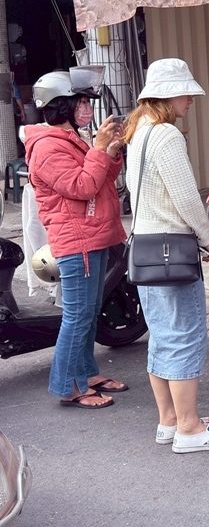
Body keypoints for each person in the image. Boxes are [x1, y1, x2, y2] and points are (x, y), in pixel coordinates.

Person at [122, 58, 209, 453]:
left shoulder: (138, 131)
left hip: (146, 248)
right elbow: (187, 198)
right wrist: (206, 237)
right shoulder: (167, 136)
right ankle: (190, 429)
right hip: (173, 248)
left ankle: (169, 420)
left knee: (162, 336)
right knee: (184, 337)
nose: (191, 99)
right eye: (186, 92)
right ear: (168, 94)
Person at [23, 70, 128, 408]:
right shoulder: (47, 147)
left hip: (93, 235)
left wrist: (111, 150)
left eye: (86, 101)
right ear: (59, 106)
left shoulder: (74, 139)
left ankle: (87, 373)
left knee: (90, 310)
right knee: (78, 314)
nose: (86, 108)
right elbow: (80, 187)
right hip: (76, 240)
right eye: (79, 102)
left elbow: (102, 179)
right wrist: (98, 150)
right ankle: (68, 385)